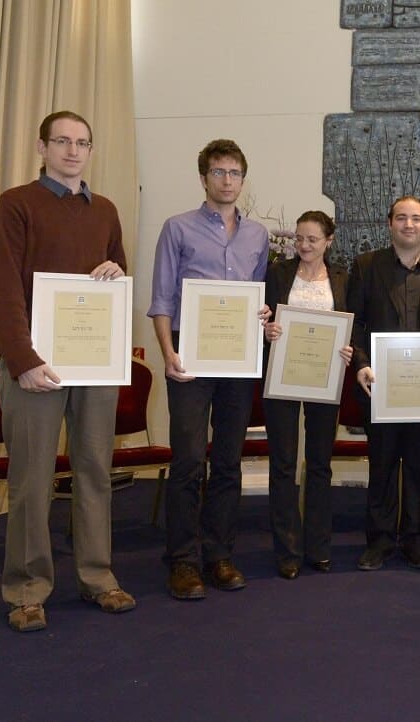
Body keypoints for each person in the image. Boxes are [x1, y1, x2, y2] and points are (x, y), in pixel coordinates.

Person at [0, 110, 135, 631]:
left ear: (91, 151)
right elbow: (3, 288)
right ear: (42, 147)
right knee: (32, 477)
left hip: (93, 366)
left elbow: (118, 278)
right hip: (36, 368)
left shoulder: (107, 211)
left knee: (96, 471)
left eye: (82, 143)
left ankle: (98, 578)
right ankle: (27, 589)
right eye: (63, 142)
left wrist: (119, 274)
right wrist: (22, 360)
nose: (73, 151)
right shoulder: (16, 204)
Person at [149, 139, 270, 600]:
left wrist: (261, 316)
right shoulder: (177, 228)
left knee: (228, 460)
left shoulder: (257, 236)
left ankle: (218, 554)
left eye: (234, 173)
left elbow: (258, 296)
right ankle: (182, 561)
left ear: (243, 179)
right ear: (203, 178)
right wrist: (167, 352)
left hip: (238, 357)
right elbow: (161, 299)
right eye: (218, 172)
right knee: (187, 459)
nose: (226, 181)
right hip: (188, 355)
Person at [348, 195, 420, 571]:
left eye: (416, 219)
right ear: (389, 224)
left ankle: (415, 540)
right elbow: (357, 322)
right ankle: (378, 541)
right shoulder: (366, 266)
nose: (408, 225)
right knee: (381, 464)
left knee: (417, 465)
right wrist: (361, 363)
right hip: (379, 386)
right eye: (401, 218)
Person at [262, 211, 353, 579]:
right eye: (299, 238)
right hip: (283, 376)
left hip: (324, 378)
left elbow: (353, 322)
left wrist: (350, 349)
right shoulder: (278, 273)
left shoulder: (343, 277)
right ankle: (287, 550)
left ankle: (318, 547)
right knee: (283, 463)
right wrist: (266, 330)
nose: (304, 245)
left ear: (328, 241)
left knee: (319, 464)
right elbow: (263, 317)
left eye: (312, 239)